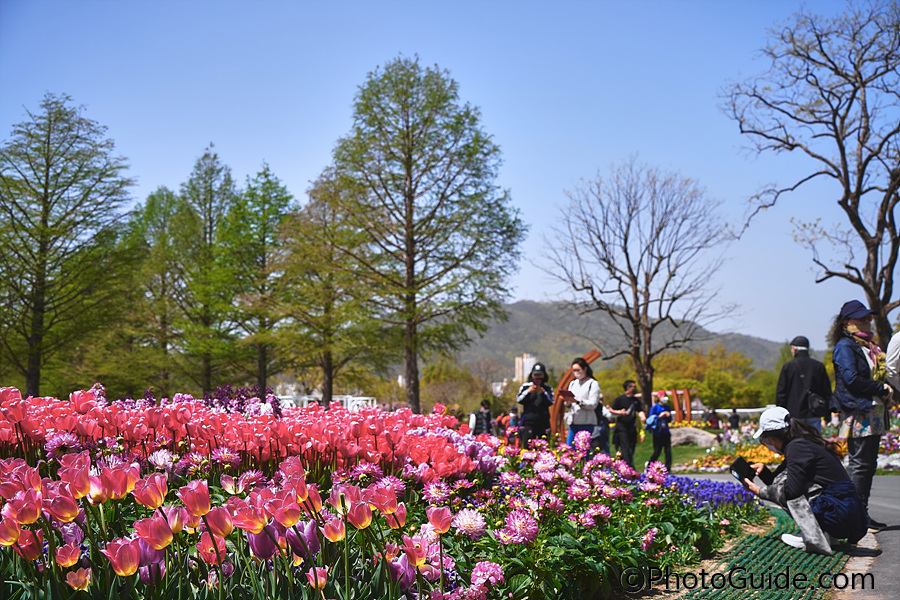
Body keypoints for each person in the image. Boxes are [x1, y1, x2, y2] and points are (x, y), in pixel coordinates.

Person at [742, 406, 867, 554]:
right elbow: (778, 482)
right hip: (846, 513)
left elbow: (792, 491)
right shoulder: (801, 443)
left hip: (839, 514)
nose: (765, 444)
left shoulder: (796, 447)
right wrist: (763, 473)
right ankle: (828, 534)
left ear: (774, 436)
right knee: (787, 486)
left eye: (764, 439)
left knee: (792, 491)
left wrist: (760, 492)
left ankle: (814, 537)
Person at [830, 299, 894, 530]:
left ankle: (861, 514)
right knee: (859, 465)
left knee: (868, 464)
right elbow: (852, 379)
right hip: (859, 411)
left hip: (873, 411)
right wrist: (881, 389)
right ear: (847, 322)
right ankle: (853, 516)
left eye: (868, 318)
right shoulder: (846, 347)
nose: (868, 322)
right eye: (862, 319)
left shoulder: (867, 346)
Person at [776, 335, 832, 431]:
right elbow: (827, 392)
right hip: (814, 413)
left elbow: (781, 394)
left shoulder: (788, 367)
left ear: (794, 349)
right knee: (814, 443)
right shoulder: (819, 366)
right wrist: (827, 414)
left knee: (797, 443)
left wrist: (781, 415)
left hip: (794, 415)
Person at [515, 363, 554, 448]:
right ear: (531, 375)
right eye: (535, 375)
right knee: (528, 447)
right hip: (529, 422)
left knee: (543, 448)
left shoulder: (548, 388)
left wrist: (542, 393)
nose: (537, 378)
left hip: (544, 422)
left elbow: (551, 401)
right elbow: (518, 399)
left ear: (544, 375)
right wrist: (529, 391)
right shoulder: (525, 386)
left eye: (540, 375)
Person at [564, 357, 601, 446]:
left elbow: (593, 404)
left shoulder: (593, 383)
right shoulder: (573, 383)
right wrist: (567, 402)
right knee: (570, 450)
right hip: (573, 422)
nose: (576, 372)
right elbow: (567, 404)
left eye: (578, 370)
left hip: (586, 422)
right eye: (574, 370)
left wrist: (577, 401)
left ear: (585, 369)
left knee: (583, 451)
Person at [609, 380, 645, 468]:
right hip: (622, 428)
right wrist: (620, 413)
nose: (634, 388)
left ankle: (620, 464)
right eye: (633, 387)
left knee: (631, 448)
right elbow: (611, 409)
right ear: (628, 388)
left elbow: (639, 410)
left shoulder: (635, 400)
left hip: (632, 428)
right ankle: (630, 467)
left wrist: (643, 417)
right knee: (625, 448)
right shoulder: (620, 399)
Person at [647, 393, 672, 470]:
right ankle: (649, 466)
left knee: (668, 451)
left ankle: (668, 468)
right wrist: (659, 416)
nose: (665, 398)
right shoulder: (655, 408)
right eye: (663, 396)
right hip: (658, 432)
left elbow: (669, 420)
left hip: (666, 431)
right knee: (657, 451)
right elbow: (651, 419)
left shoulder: (667, 408)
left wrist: (668, 415)